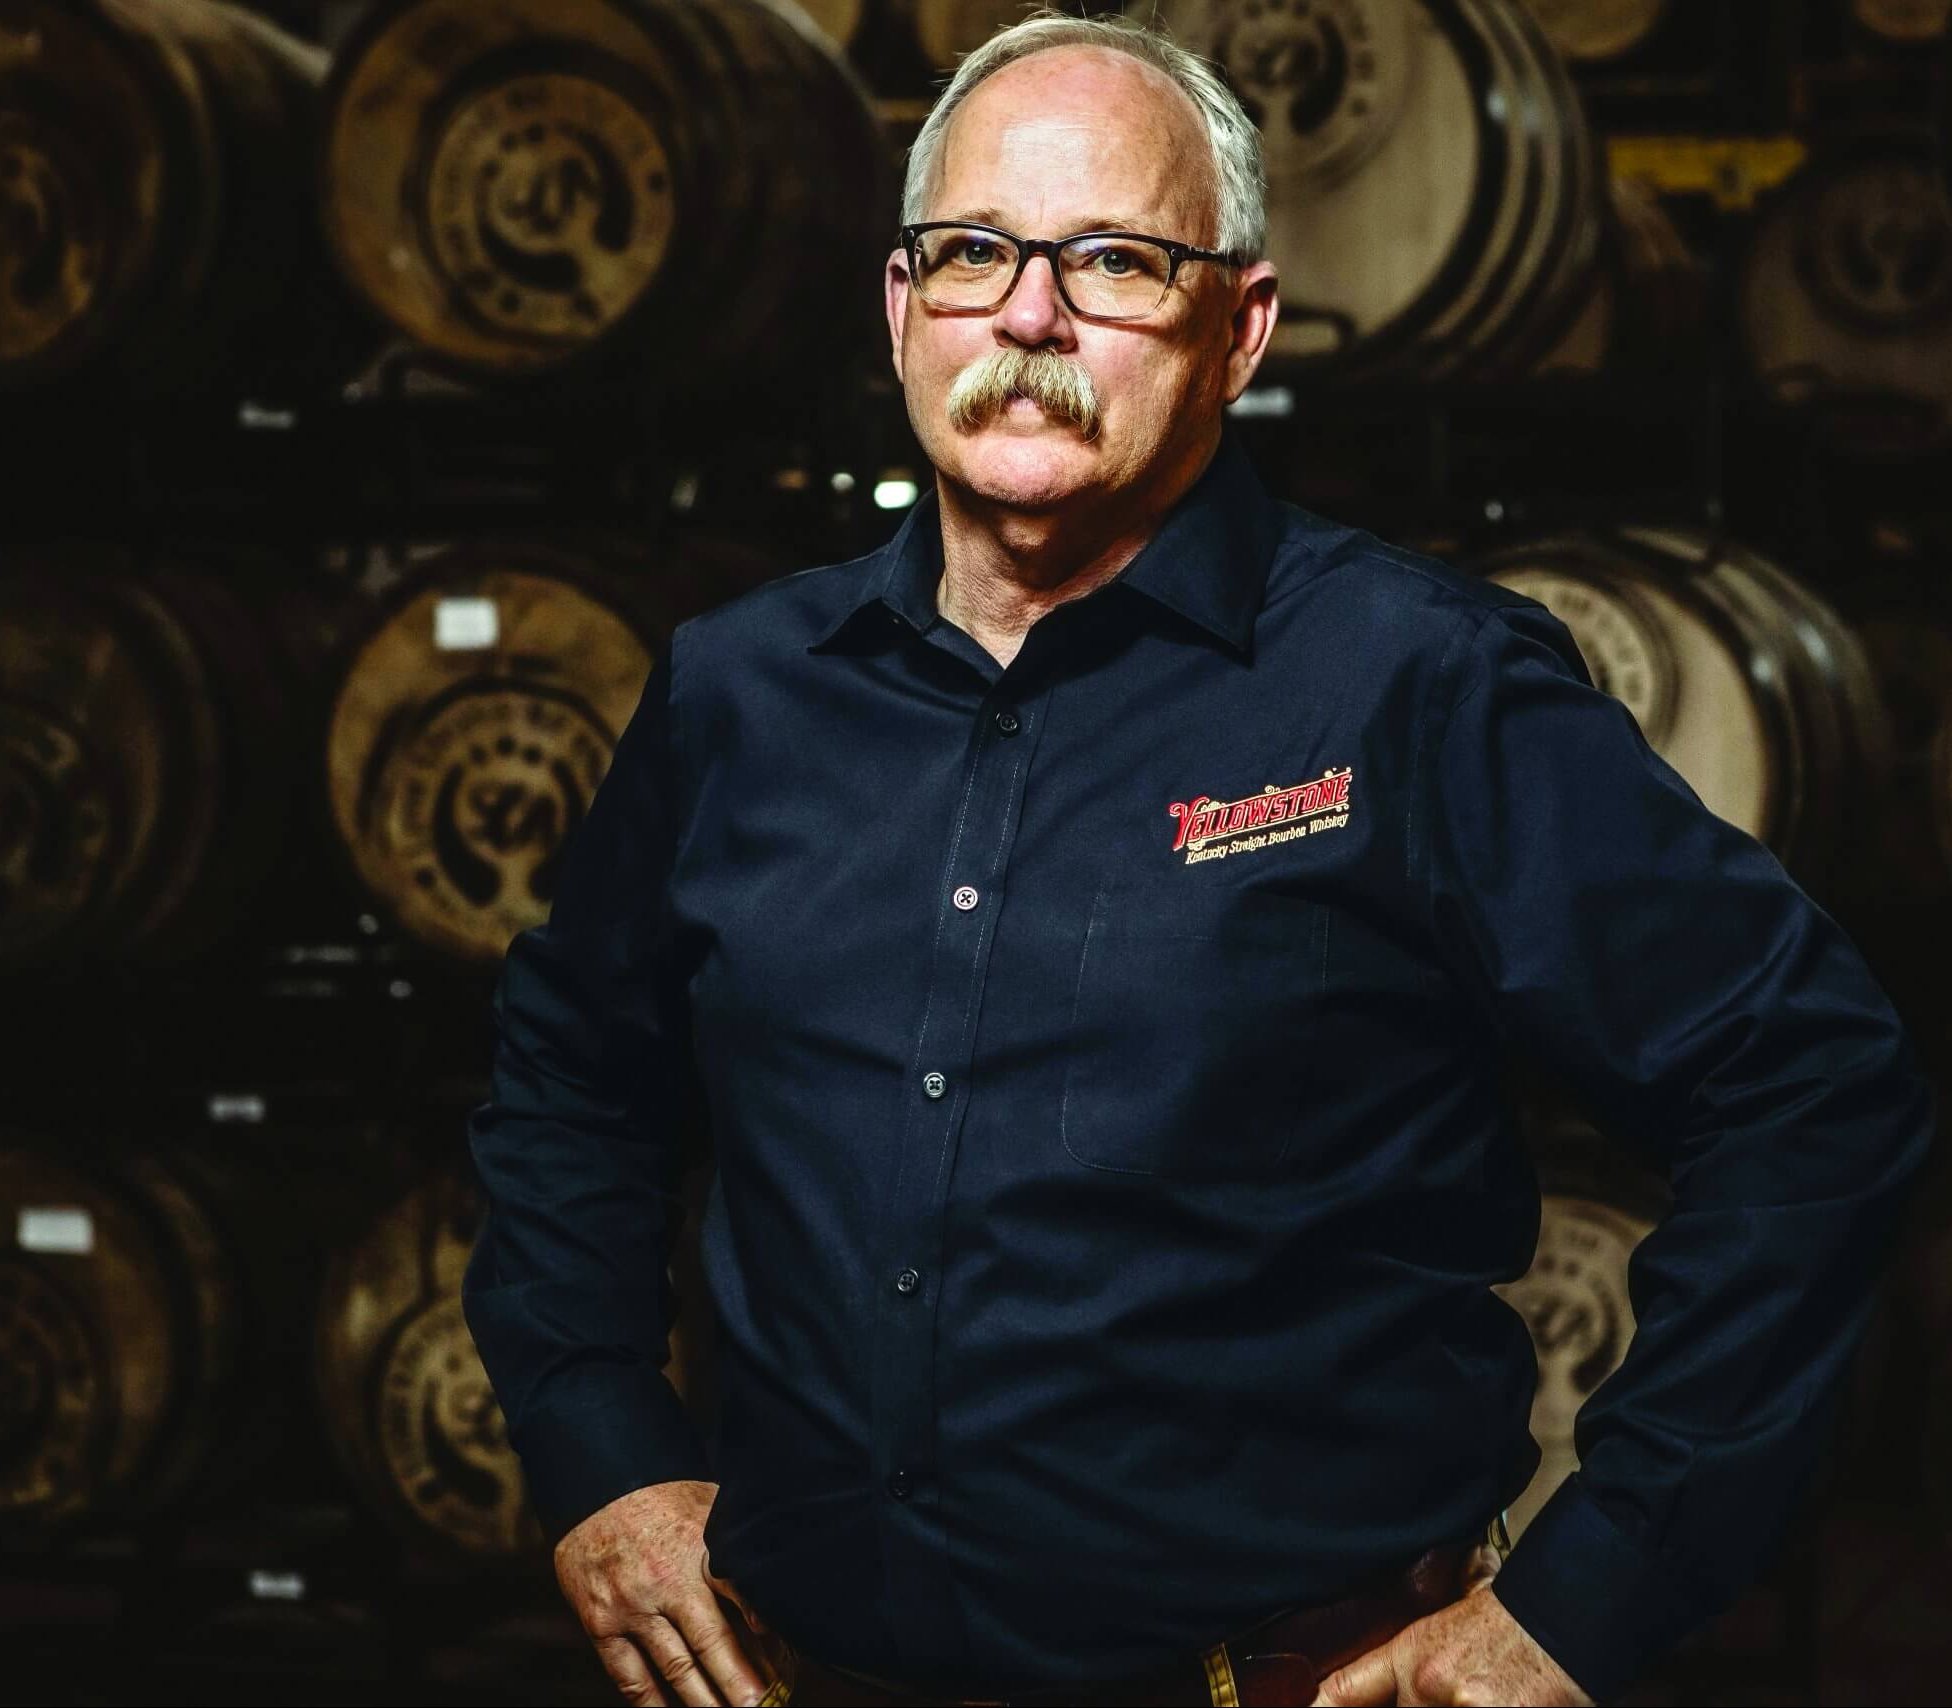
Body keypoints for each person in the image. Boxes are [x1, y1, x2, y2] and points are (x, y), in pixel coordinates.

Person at [460, 12, 1937, 1707]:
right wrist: (599, 1444)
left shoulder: (1413, 683)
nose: (1028, 315)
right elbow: (568, 1077)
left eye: (1113, 260)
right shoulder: (740, 692)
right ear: (899, 307)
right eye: (973, 255)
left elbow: (1810, 1081)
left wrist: (1588, 1598)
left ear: (1237, 330)